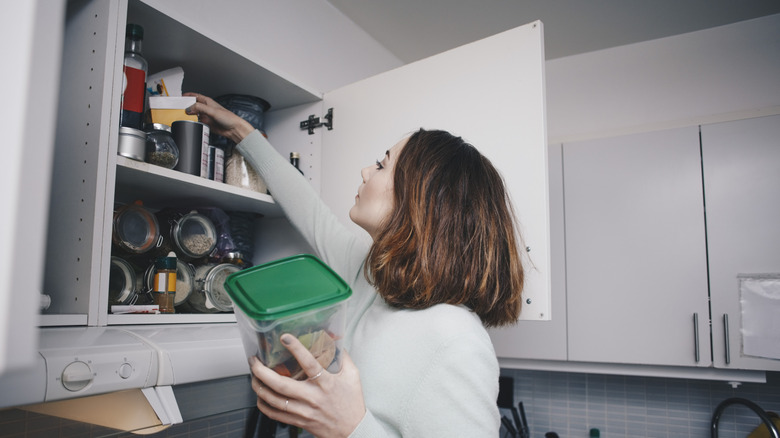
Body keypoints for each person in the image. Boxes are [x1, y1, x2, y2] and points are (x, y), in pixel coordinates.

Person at [186, 93, 526, 437]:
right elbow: (309, 210)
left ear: (421, 199)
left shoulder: (456, 338)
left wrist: (350, 427)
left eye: (382, 165)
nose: (366, 171)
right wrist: (242, 133)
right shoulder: (369, 273)